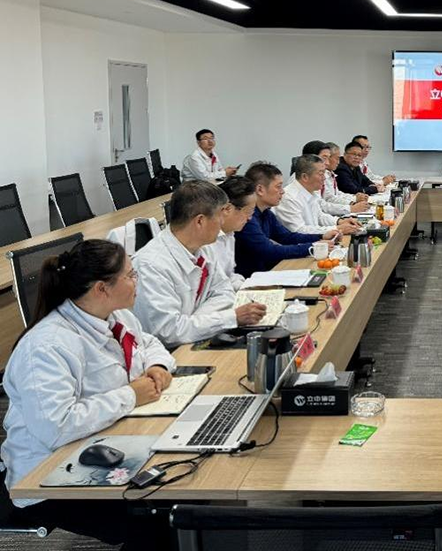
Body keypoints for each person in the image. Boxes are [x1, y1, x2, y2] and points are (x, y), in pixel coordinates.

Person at [0, 240, 174, 550]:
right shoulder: (46, 347)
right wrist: (130, 395)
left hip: (105, 442)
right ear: (101, 288)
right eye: (130, 275)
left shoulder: (115, 316)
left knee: (181, 485)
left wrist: (157, 365)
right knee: (161, 519)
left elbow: (148, 342)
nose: (137, 281)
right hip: (48, 476)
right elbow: (55, 428)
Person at [133, 181, 265, 347]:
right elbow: (168, 332)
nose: (223, 221)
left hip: (195, 340)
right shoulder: (151, 265)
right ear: (200, 221)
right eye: (220, 215)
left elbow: (224, 292)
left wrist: (194, 322)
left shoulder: (203, 248)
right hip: (170, 353)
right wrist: (229, 318)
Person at [235, 162, 340, 276]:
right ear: (260, 190)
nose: (283, 191)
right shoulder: (247, 218)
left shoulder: (266, 213)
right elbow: (269, 251)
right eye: (278, 186)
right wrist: (313, 247)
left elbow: (287, 237)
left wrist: (321, 237)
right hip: (251, 278)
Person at [274, 154, 361, 235]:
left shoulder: (312, 191)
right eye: (321, 174)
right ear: (305, 177)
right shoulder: (289, 197)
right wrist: (337, 228)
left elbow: (319, 216)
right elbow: (299, 230)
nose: (324, 178)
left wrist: (340, 221)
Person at [208, 175, 257, 290]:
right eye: (248, 212)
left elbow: (230, 275)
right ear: (228, 209)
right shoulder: (207, 240)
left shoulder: (230, 233)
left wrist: (247, 286)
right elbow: (214, 287)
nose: (250, 218)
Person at [301, 141, 369, 216]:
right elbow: (323, 205)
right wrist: (351, 207)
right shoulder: (305, 182)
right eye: (324, 158)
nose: (327, 163)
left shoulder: (323, 175)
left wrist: (353, 200)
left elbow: (332, 196)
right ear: (311, 158)